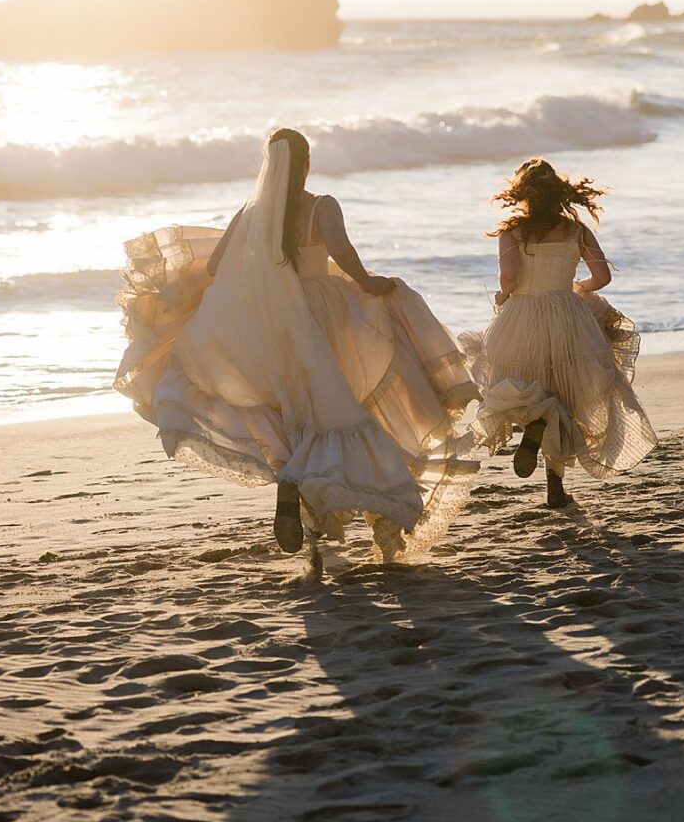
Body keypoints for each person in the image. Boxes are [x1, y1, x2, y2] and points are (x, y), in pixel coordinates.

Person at [115, 128, 478, 562]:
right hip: (325, 312)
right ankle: (379, 518)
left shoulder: (252, 213)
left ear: (269, 165)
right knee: (347, 406)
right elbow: (341, 253)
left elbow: (215, 266)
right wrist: (367, 283)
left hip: (271, 321)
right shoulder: (322, 206)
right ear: (306, 164)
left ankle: (291, 486)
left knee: (294, 409)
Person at [461, 158, 657, 507]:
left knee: (520, 386)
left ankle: (534, 427)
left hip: (521, 316)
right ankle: (556, 488)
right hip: (568, 315)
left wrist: (505, 297)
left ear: (522, 194)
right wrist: (576, 287)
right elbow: (602, 277)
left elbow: (509, 277)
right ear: (560, 194)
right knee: (566, 397)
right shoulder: (575, 230)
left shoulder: (512, 231)